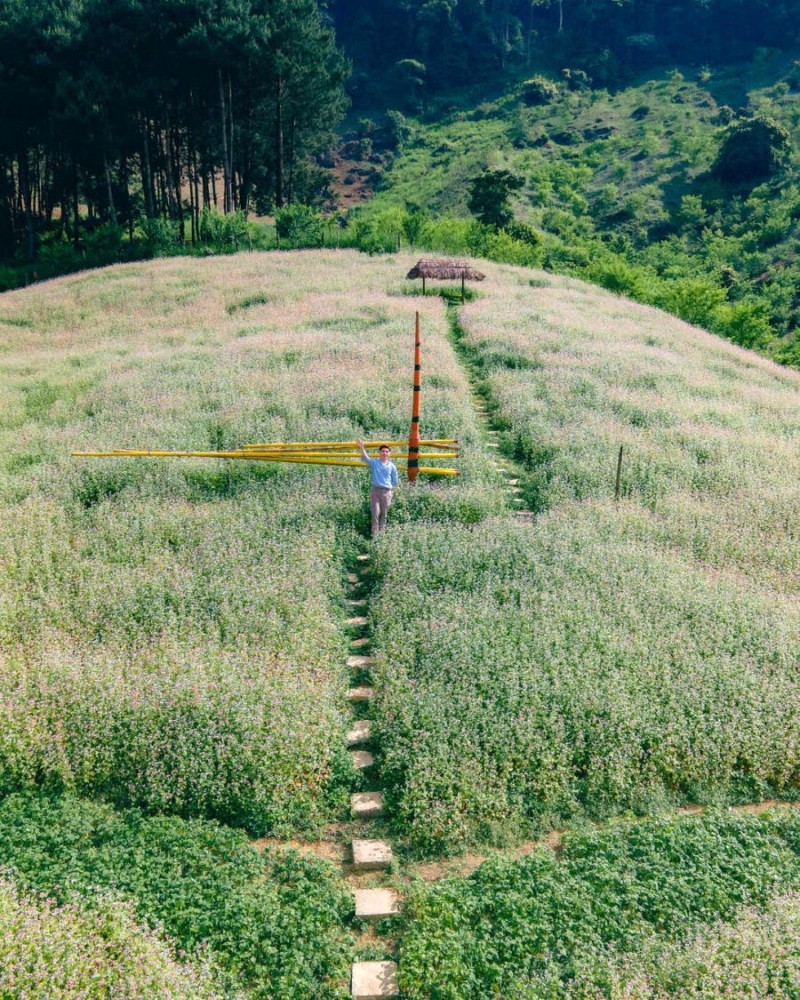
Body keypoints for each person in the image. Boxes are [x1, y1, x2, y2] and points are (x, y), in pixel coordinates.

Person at [356, 439, 399, 537]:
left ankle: (382, 535)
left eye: (387, 451)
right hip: (375, 491)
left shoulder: (392, 466)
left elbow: (395, 480)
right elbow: (366, 458)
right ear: (379, 453)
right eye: (383, 451)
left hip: (387, 492)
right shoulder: (375, 463)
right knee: (375, 513)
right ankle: (374, 536)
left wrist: (389, 488)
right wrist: (361, 446)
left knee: (384, 514)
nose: (385, 453)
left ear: (389, 454)